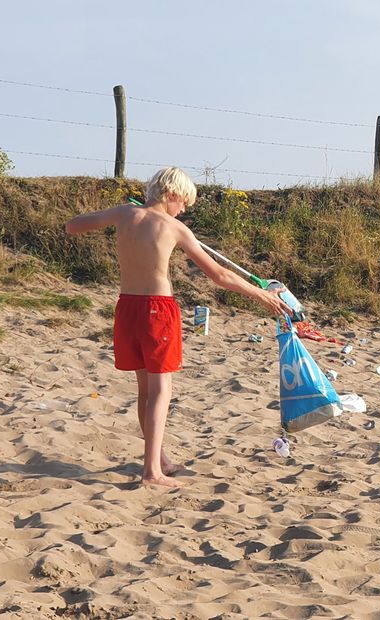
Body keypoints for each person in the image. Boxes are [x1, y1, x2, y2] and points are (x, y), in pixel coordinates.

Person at [65, 167, 291, 488]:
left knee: (145, 392)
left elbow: (72, 226)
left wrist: (116, 215)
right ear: (171, 194)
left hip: (127, 307)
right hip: (157, 311)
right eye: (183, 202)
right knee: (161, 392)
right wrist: (260, 294)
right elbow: (219, 275)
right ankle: (151, 473)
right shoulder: (173, 227)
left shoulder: (125, 214)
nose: (183, 209)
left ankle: (158, 460)